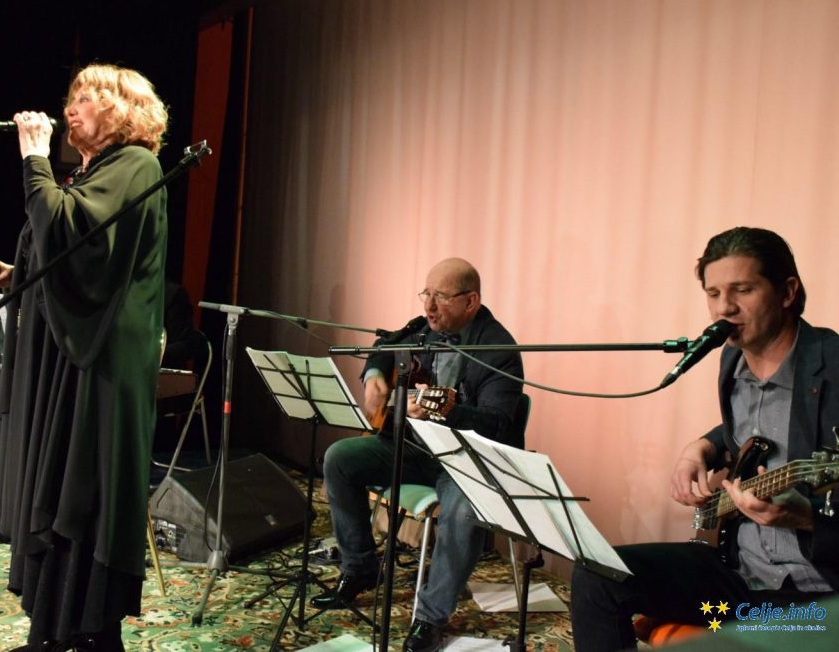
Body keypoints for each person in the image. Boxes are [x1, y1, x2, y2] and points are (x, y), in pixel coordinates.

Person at [0, 63, 169, 652]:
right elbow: (69, 253)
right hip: (73, 361)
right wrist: (20, 272)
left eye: (85, 98)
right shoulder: (95, 172)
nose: (68, 110)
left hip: (100, 366)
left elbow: (80, 245)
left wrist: (34, 159)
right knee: (59, 481)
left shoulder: (136, 165)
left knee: (81, 493)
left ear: (120, 110)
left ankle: (85, 637)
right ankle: (54, 635)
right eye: (71, 98)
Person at [570, 227, 839, 650]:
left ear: (787, 292)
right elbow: (750, 430)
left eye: (743, 290)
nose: (724, 308)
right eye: (713, 294)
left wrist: (806, 519)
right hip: (739, 575)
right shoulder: (731, 359)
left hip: (816, 597)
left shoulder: (833, 367)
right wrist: (702, 446)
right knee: (597, 574)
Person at [312, 257, 525, 652]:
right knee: (339, 458)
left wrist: (447, 410)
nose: (429, 306)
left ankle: (430, 617)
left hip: (465, 461)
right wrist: (375, 375)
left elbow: (498, 424)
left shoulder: (499, 350)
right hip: (415, 448)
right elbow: (384, 346)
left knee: (462, 509)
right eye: (426, 294)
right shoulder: (423, 329)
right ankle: (361, 567)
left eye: (440, 297)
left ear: (470, 301)